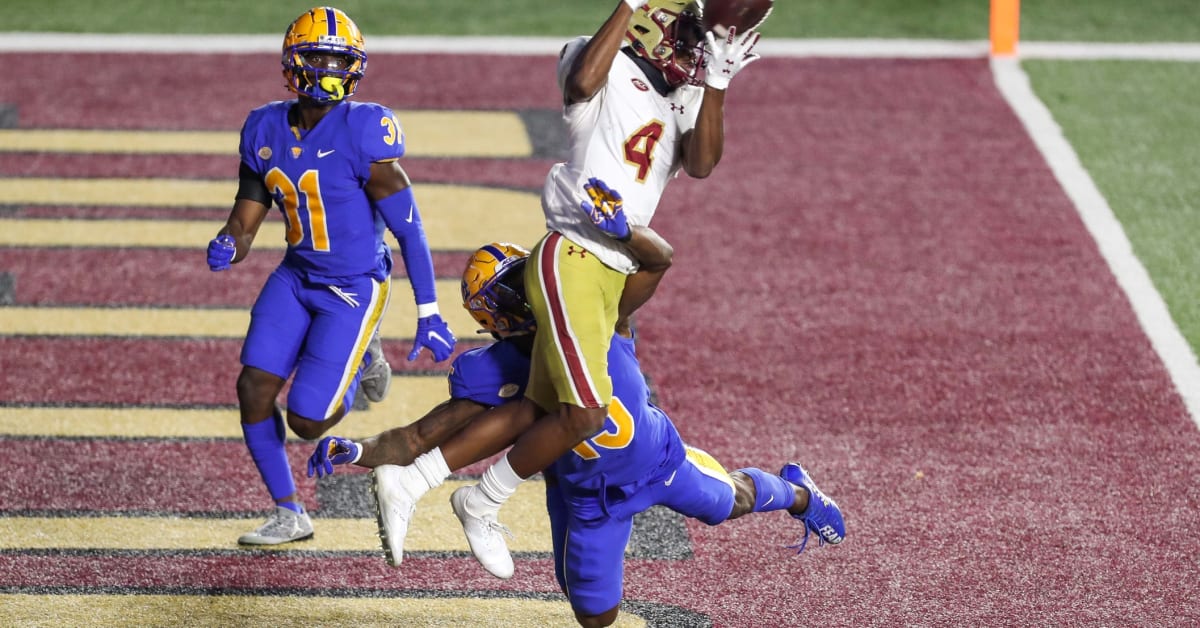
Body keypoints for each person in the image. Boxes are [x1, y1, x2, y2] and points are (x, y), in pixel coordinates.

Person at [307, 190, 845, 628]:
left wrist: (619, 228)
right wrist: (358, 449)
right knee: (595, 613)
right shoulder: (491, 372)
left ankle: (798, 492)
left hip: (659, 458)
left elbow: (658, 258)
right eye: (507, 298)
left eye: (520, 287)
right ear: (491, 320)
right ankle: (481, 505)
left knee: (729, 502)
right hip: (589, 497)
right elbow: (418, 437)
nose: (522, 301)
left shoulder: (596, 312)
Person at [444, 0, 766, 576]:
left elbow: (702, 164)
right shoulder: (598, 58)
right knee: (580, 413)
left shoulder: (686, 93)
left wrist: (715, 81)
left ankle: (478, 497)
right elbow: (582, 79)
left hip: (621, 262)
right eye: (685, 32)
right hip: (575, 248)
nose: (691, 45)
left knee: (597, 393)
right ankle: (477, 498)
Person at [206, 6, 455, 546]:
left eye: (339, 60)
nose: (328, 70)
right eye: (318, 57)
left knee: (308, 422)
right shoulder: (263, 126)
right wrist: (231, 241)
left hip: (354, 285)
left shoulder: (366, 129)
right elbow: (247, 215)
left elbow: (409, 230)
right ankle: (289, 511)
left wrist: (430, 311)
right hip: (297, 275)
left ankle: (362, 360)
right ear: (293, 62)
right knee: (252, 388)